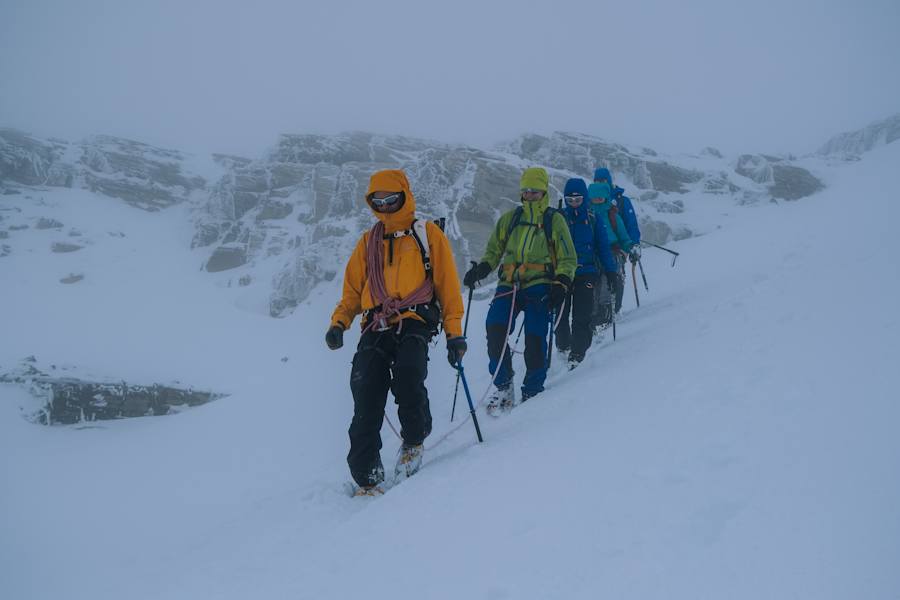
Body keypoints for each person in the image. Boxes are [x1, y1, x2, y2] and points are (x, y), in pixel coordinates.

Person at [326, 169, 466, 495]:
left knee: (408, 374)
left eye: (391, 199)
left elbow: (448, 287)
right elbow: (352, 290)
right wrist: (339, 323)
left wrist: (454, 334)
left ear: (404, 196)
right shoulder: (368, 241)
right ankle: (366, 475)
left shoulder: (427, 234)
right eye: (378, 201)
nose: (385, 206)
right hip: (375, 322)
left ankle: (414, 439)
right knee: (365, 389)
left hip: (416, 318)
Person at [463, 167, 576, 411]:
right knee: (495, 329)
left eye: (535, 191)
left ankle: (532, 389)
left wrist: (561, 282)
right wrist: (482, 269)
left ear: (544, 191)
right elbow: (494, 250)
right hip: (509, 284)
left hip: (540, 285)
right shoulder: (511, 219)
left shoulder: (554, 220)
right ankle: (504, 385)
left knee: (535, 339)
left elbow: (568, 258)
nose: (530, 195)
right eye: (526, 190)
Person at [555, 178, 619, 369]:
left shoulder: (593, 218)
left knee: (582, 313)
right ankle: (563, 345)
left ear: (584, 198)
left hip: (587, 272)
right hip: (562, 272)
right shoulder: (559, 218)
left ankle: (578, 352)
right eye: (570, 200)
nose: (574, 203)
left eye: (578, 199)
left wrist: (611, 272)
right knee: (560, 313)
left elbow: (603, 247)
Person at [587, 181, 641, 324]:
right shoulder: (587, 217)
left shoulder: (613, 216)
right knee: (594, 283)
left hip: (612, 252)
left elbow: (624, 238)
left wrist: (630, 247)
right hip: (593, 254)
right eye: (594, 199)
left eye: (600, 198)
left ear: (605, 198)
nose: (597, 201)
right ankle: (596, 313)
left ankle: (606, 311)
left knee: (607, 279)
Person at [593, 167, 641, 245]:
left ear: (609, 181)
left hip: (619, 247)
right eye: (597, 182)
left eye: (603, 181)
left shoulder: (622, 201)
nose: (600, 184)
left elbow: (631, 225)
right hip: (598, 247)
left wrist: (634, 243)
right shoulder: (590, 200)